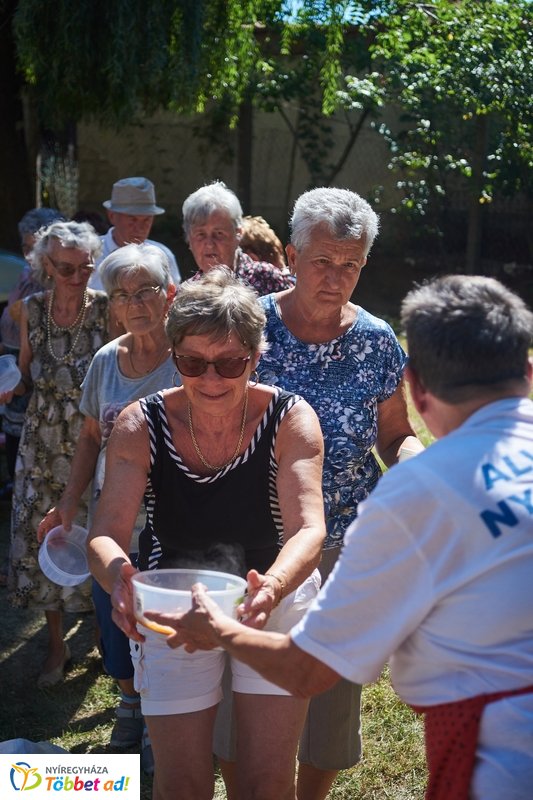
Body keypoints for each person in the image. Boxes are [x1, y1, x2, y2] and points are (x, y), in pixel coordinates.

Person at [149, 274, 533, 800]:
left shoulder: (412, 500)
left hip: (502, 756)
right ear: (529, 373)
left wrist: (219, 629)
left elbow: (307, 670)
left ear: (416, 388)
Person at [206, 187, 421, 799]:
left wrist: (419, 464)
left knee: (328, 692)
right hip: (249, 539)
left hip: (345, 542)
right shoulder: (248, 326)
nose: (335, 277)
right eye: (323, 261)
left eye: (350, 264)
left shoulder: (378, 341)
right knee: (238, 683)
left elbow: (396, 433)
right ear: (293, 256)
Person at [88, 268, 326, 800]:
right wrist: (121, 579)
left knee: (268, 781)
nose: (212, 380)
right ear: (174, 358)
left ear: (255, 357)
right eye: (194, 363)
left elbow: (310, 529)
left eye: (230, 363)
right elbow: (105, 533)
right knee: (183, 782)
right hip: (171, 599)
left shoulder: (290, 418)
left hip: (275, 590)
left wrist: (270, 589)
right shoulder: (139, 422)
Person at [37, 243, 176, 771]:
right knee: (112, 618)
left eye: (146, 290)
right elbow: (90, 437)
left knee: (158, 624)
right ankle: (129, 707)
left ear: (169, 294)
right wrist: (69, 503)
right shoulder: (105, 361)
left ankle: (161, 720)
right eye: (123, 294)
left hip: (168, 523)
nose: (136, 303)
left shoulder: (186, 361)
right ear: (113, 304)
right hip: (111, 522)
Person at [0, 220, 108, 688]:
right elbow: (23, 376)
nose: (78, 276)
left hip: (91, 439)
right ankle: (57, 646)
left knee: (98, 536)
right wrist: (8, 386)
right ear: (46, 265)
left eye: (85, 267)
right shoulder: (29, 309)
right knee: (43, 537)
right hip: (41, 442)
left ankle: (105, 636)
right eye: (66, 268)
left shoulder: (107, 311)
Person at [0, 207, 65, 488]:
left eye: (34, 248)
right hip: (13, 364)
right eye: (25, 247)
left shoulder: (58, 280)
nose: (28, 255)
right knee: (14, 436)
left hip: (36, 371)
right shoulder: (28, 272)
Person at [182, 181, 294, 296]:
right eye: (201, 234)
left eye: (219, 233)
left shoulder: (264, 278)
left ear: (238, 233)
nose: (209, 244)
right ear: (189, 239)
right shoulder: (186, 294)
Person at [89, 177, 181, 290]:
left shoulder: (164, 256)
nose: (140, 228)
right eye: (132, 219)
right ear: (112, 216)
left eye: (146, 220)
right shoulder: (89, 255)